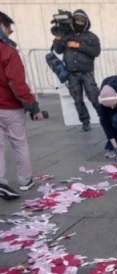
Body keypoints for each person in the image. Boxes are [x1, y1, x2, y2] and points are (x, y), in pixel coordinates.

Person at [0, 11, 43, 200]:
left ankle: (1, 183)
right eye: (9, 30)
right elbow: (16, 82)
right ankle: (25, 181)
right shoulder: (7, 51)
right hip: (9, 106)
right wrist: (32, 106)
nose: (10, 34)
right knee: (19, 143)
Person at [52, 9, 101, 132]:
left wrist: (79, 46)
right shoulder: (67, 35)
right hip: (71, 73)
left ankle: (103, 116)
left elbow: (96, 52)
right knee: (77, 99)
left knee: (94, 96)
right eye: (77, 20)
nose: (79, 23)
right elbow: (58, 50)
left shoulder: (91, 36)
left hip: (87, 72)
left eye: (82, 21)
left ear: (86, 22)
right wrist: (58, 37)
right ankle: (85, 122)